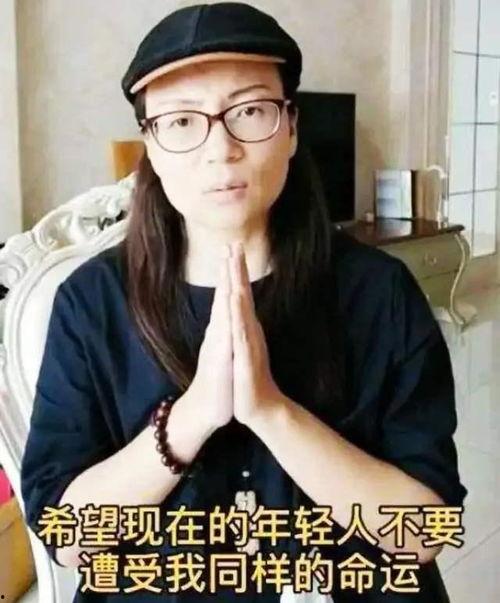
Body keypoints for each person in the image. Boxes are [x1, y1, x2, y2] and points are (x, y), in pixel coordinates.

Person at [21, 2, 467, 602]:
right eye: (182, 121)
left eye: (250, 110)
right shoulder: (90, 303)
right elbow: (67, 537)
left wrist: (271, 411)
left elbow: (423, 533)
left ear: (292, 127)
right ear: (150, 145)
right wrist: (191, 418)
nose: (221, 149)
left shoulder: (379, 291)